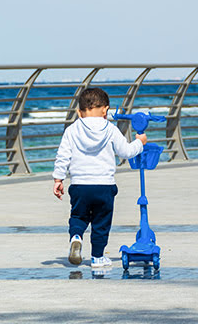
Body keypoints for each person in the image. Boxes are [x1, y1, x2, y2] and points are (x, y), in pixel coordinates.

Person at [52, 87, 146, 269]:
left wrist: (58, 179)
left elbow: (62, 156)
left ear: (79, 112)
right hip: (104, 185)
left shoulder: (72, 130)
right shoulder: (110, 129)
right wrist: (139, 143)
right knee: (101, 222)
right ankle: (97, 257)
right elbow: (125, 152)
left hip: (79, 185)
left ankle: (76, 237)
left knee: (78, 216)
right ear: (105, 110)